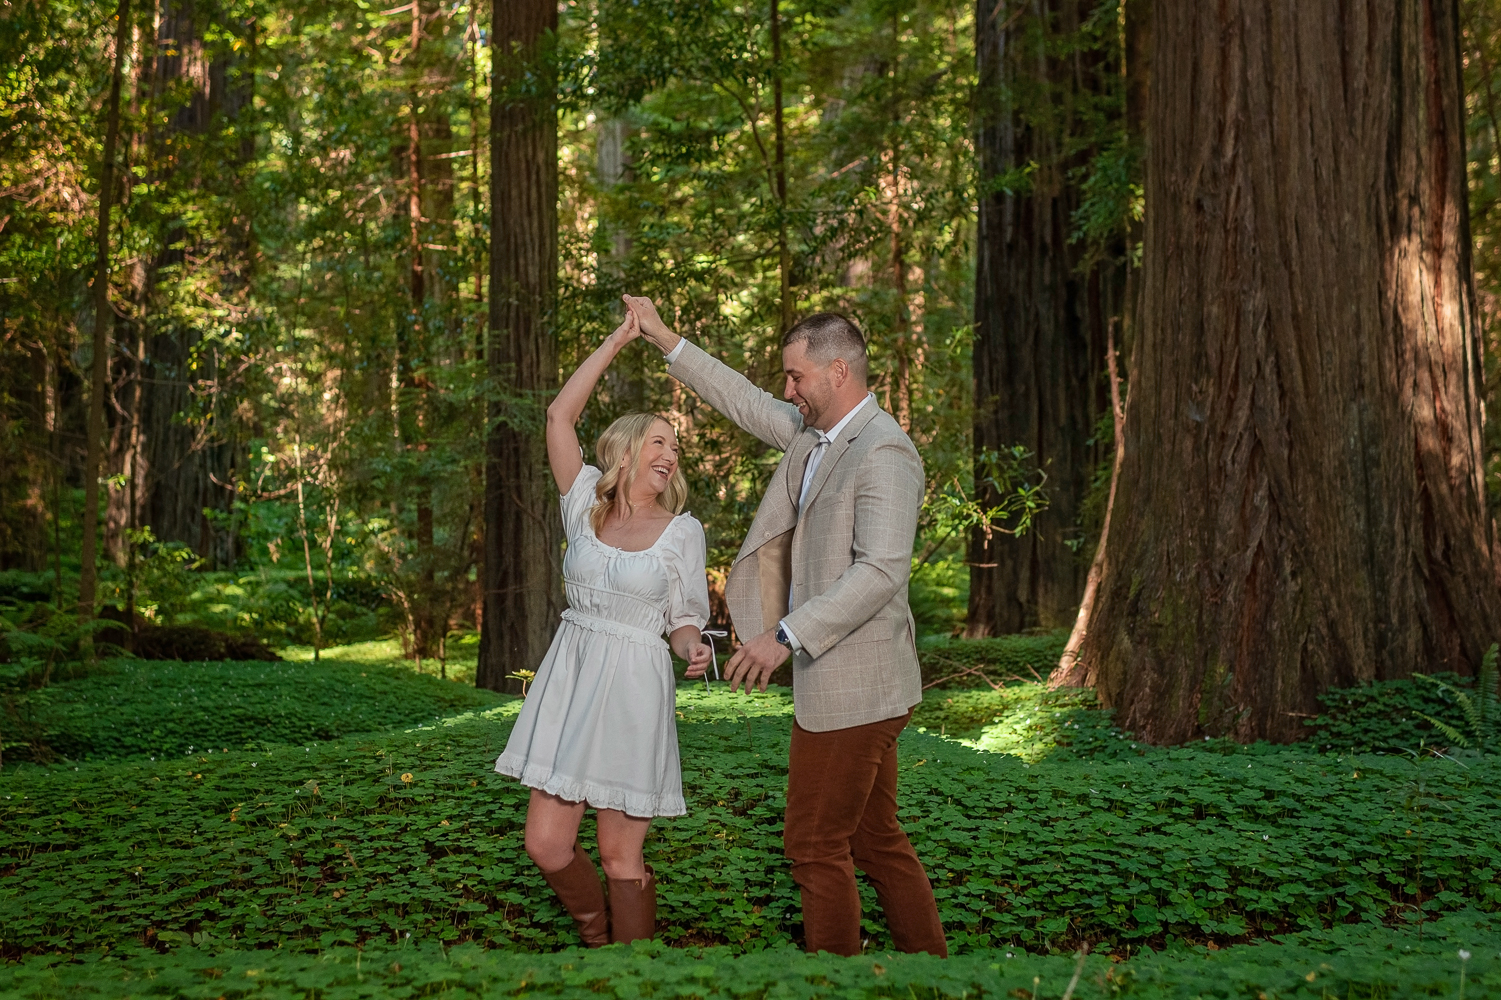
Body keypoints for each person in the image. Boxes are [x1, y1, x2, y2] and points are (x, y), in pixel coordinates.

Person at [622, 294, 947, 958]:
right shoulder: (815, 437)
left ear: (837, 371)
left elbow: (881, 571)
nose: (787, 388)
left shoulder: (883, 451)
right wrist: (661, 337)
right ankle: (931, 968)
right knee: (874, 837)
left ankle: (830, 976)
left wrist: (783, 635)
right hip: (854, 684)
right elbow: (740, 399)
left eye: (796, 376)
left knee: (813, 843)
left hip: (856, 685)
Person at [494, 308, 714, 947]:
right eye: (659, 441)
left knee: (621, 856)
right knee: (546, 843)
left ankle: (630, 966)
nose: (671, 454)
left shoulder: (682, 533)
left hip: (633, 689)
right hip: (573, 679)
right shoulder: (583, 501)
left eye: (676, 447)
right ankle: (594, 932)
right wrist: (619, 340)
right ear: (624, 450)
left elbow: (681, 621)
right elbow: (558, 416)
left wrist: (693, 646)